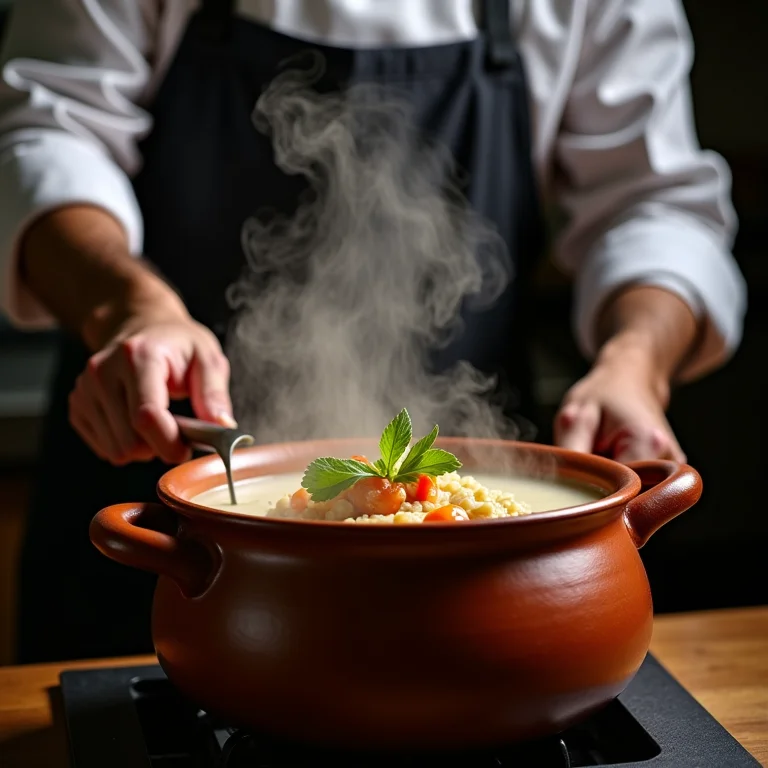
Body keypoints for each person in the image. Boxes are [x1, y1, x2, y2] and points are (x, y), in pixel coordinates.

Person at [0, 0, 746, 663]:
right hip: (150, 473)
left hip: (486, 585)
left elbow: (653, 203)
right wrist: (127, 307)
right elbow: (42, 134)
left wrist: (634, 363)